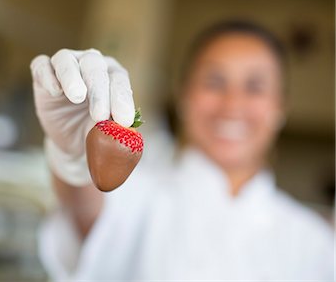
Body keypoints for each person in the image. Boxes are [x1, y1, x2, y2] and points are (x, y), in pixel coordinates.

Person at [30, 21, 333, 280]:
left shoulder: (315, 243)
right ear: (184, 95)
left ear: (281, 107)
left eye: (254, 87)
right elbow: (84, 211)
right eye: (215, 81)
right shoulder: (139, 194)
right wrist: (73, 157)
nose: (232, 104)